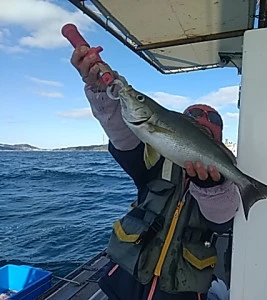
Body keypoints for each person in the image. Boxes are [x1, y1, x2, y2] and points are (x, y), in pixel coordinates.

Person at [70, 46, 240, 300]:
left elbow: (222, 219)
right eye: (191, 130)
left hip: (182, 288)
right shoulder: (155, 161)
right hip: (126, 278)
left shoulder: (223, 180)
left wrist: (210, 188)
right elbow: (126, 134)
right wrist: (105, 90)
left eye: (206, 137)